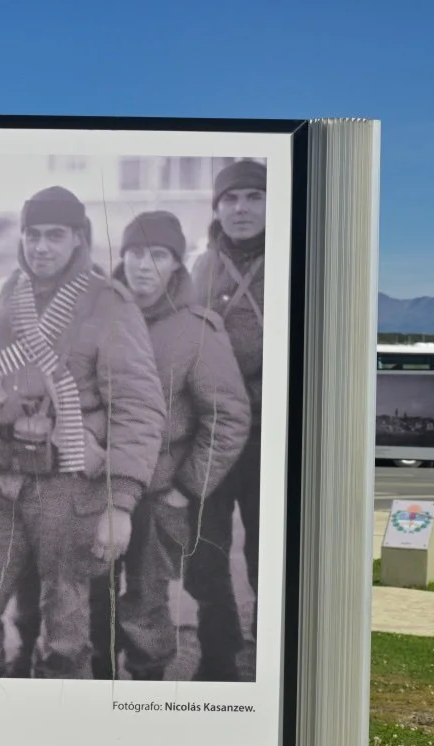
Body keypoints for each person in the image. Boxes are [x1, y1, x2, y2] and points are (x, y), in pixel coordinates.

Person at [0, 186, 167, 680]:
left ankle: (54, 741)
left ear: (77, 239)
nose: (41, 246)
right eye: (32, 235)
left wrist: (121, 503)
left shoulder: (108, 303)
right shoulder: (1, 294)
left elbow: (139, 407)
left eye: (54, 236)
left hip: (70, 486)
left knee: (66, 638)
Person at [87, 210, 252, 680]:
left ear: (177, 264)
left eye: (157, 255)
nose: (143, 265)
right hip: (95, 486)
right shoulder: (99, 315)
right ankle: (95, 686)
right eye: (135, 253)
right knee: (90, 595)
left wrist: (186, 487)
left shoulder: (195, 331)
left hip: (159, 495)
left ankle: (147, 688)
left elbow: (228, 416)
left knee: (146, 599)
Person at [187, 158, 268, 680]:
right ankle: (219, 656)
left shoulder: (298, 260)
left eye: (253, 197)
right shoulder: (199, 267)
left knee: (269, 554)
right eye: (230, 199)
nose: (240, 209)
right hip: (212, 432)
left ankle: (268, 662)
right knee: (203, 553)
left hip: (271, 435)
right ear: (216, 208)